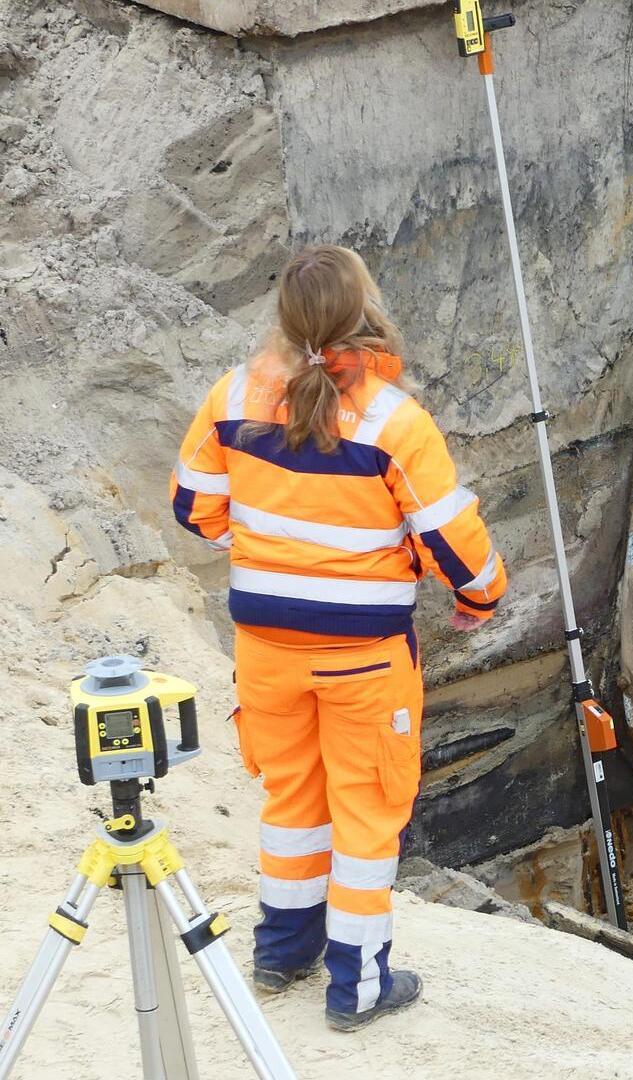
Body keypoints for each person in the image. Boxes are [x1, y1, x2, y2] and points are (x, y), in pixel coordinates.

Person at [169, 245, 508, 1030]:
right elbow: (453, 543)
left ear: (285, 318)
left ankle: (284, 951)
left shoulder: (232, 398)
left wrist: (270, 557)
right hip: (363, 660)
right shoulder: (395, 422)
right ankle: (357, 989)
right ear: (364, 314)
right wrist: (479, 599)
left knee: (292, 797)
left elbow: (196, 510)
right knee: (365, 812)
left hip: (264, 649)